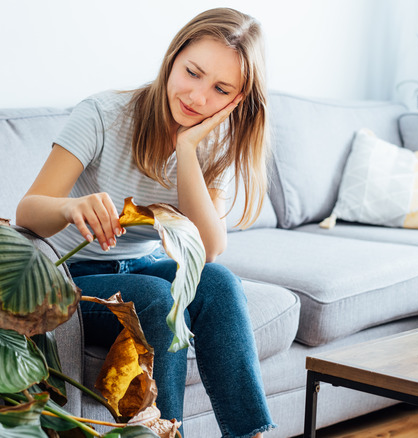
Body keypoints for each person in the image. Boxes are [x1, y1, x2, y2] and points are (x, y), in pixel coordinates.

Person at [16, 7, 274, 438]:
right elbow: (27, 211)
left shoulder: (213, 142)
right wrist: (68, 209)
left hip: (138, 268)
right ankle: (165, 434)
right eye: (192, 72)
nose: (197, 97)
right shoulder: (102, 113)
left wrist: (188, 150)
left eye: (219, 89)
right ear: (173, 57)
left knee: (220, 283)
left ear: (237, 99)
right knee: (155, 298)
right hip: (67, 276)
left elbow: (208, 250)